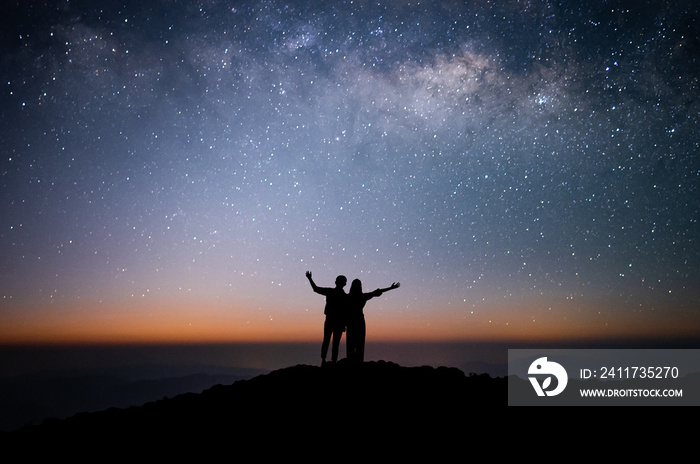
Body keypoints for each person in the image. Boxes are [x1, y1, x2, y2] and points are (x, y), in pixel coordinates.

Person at [346, 279, 400, 362]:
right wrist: (390, 288)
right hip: (360, 321)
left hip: (351, 321)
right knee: (360, 342)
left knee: (350, 342)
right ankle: (359, 361)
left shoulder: (348, 297)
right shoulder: (363, 296)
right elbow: (377, 292)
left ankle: (350, 362)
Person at [305, 271, 348, 365]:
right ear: (344, 284)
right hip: (338, 322)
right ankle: (333, 361)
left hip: (331, 320)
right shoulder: (345, 296)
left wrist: (309, 278)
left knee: (327, 340)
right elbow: (346, 312)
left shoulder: (332, 292)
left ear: (336, 282)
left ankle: (325, 360)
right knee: (335, 342)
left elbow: (315, 289)